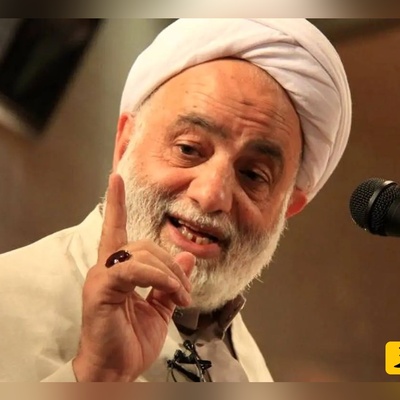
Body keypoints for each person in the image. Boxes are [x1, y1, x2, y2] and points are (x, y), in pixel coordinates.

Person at [0, 18, 351, 382]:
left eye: (252, 174)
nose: (211, 195)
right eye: (188, 149)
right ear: (124, 145)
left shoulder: (252, 368)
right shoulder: (9, 297)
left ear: (288, 208)